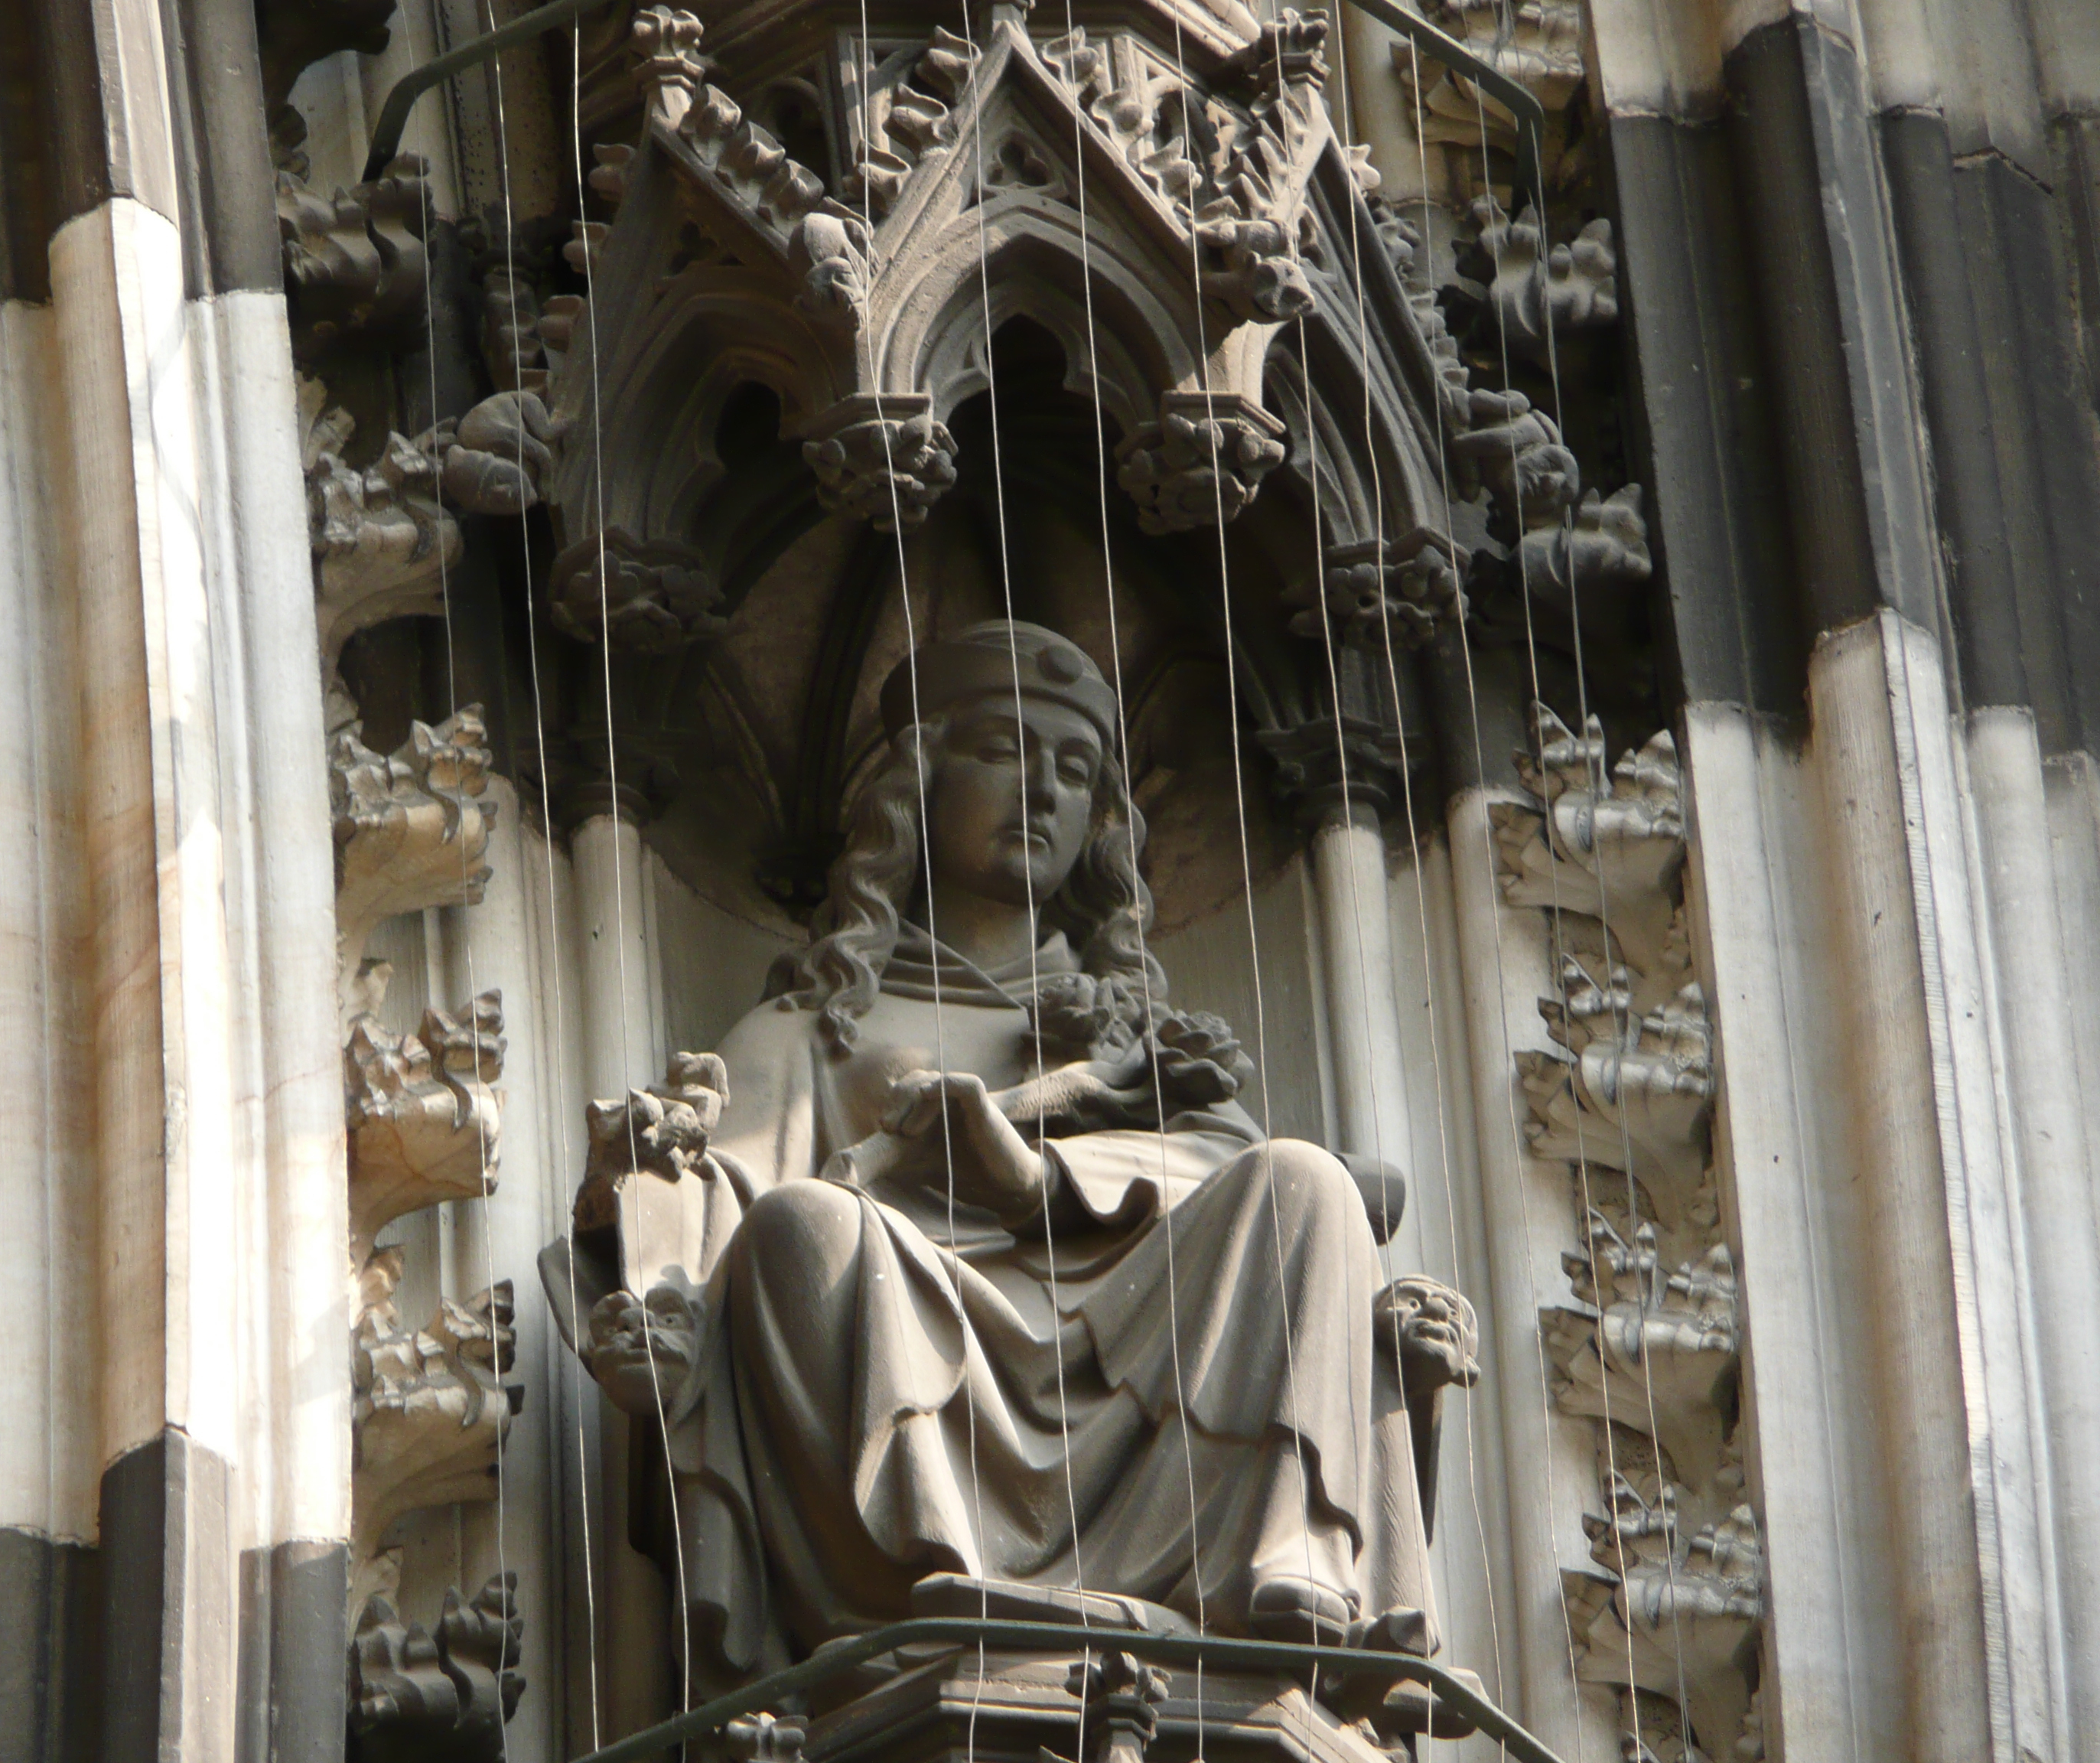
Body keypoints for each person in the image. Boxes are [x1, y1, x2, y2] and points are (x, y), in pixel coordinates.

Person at [544, 621, 1475, 1698]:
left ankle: (1282, 1567)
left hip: (1135, 1354)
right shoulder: (815, 1030)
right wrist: (643, 1196)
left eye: (1074, 771)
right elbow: (719, 1232)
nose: (1041, 792)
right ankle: (928, 1579)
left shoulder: (1137, 1041)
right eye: (1002, 751)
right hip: (909, 1336)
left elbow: (1263, 1199)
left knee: (1304, 1183)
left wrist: (1033, 1180)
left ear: (1100, 825)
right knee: (805, 1230)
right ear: (918, 787)